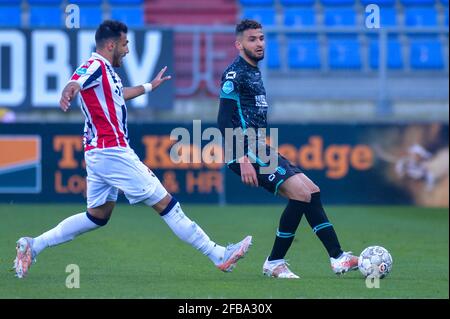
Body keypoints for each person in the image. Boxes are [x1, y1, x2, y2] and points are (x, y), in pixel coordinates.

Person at [13, 20, 252, 279]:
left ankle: (33, 245)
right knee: (168, 205)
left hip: (98, 154)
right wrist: (68, 91)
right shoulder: (94, 65)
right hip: (113, 152)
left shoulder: (106, 72)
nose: (127, 50)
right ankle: (218, 254)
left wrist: (149, 86)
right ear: (111, 44)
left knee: (97, 216)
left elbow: (118, 94)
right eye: (125, 44)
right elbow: (75, 81)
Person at [217, 19, 358, 279]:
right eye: (252, 39)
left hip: (260, 148)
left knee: (312, 191)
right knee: (301, 195)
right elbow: (224, 121)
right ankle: (275, 262)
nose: (259, 43)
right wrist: (242, 158)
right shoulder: (234, 74)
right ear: (239, 44)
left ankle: (338, 258)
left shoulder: (254, 71)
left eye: (261, 38)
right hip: (245, 150)